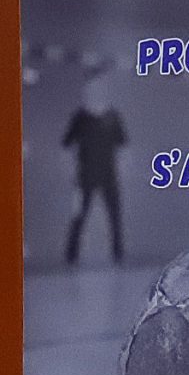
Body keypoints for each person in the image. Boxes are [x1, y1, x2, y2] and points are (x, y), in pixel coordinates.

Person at [61, 73, 127, 266]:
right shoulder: (81, 118)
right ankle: (71, 255)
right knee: (79, 215)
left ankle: (118, 254)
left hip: (108, 175)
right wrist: (72, 171)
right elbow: (67, 144)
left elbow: (123, 145)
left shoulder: (112, 117)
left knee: (114, 216)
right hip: (85, 177)